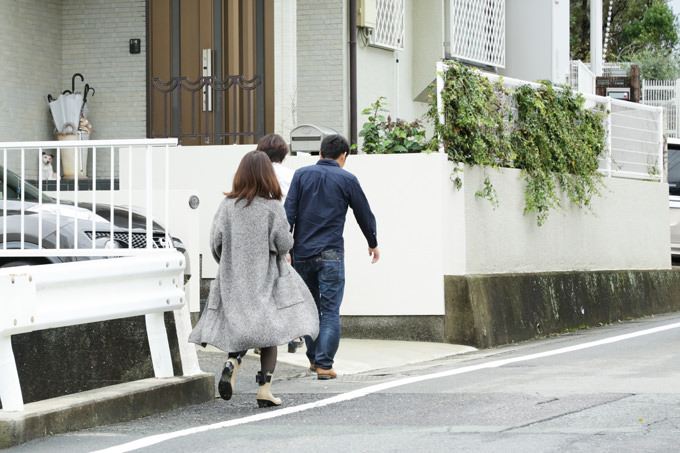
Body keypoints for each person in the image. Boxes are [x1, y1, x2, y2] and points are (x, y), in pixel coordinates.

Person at [189, 150, 318, 407]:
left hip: (233, 279)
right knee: (268, 332)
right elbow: (283, 244)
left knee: (242, 326)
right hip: (265, 279)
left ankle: (232, 361)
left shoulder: (227, 206)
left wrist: (229, 263)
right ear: (267, 176)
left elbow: (216, 243)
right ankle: (264, 391)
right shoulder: (272, 207)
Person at [284, 134, 380, 380]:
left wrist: (285, 248)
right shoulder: (347, 179)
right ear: (343, 155)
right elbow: (363, 213)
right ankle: (325, 365)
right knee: (329, 311)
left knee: (310, 310)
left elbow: (288, 214)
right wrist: (373, 242)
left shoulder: (301, 175)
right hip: (331, 254)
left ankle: (316, 362)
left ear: (320, 153)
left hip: (302, 254)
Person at [256, 134, 304, 354]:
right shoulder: (292, 176)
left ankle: (262, 338)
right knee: (287, 285)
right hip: (285, 234)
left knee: (261, 287)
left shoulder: (253, 175)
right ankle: (294, 335)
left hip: (256, 237)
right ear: (284, 153)